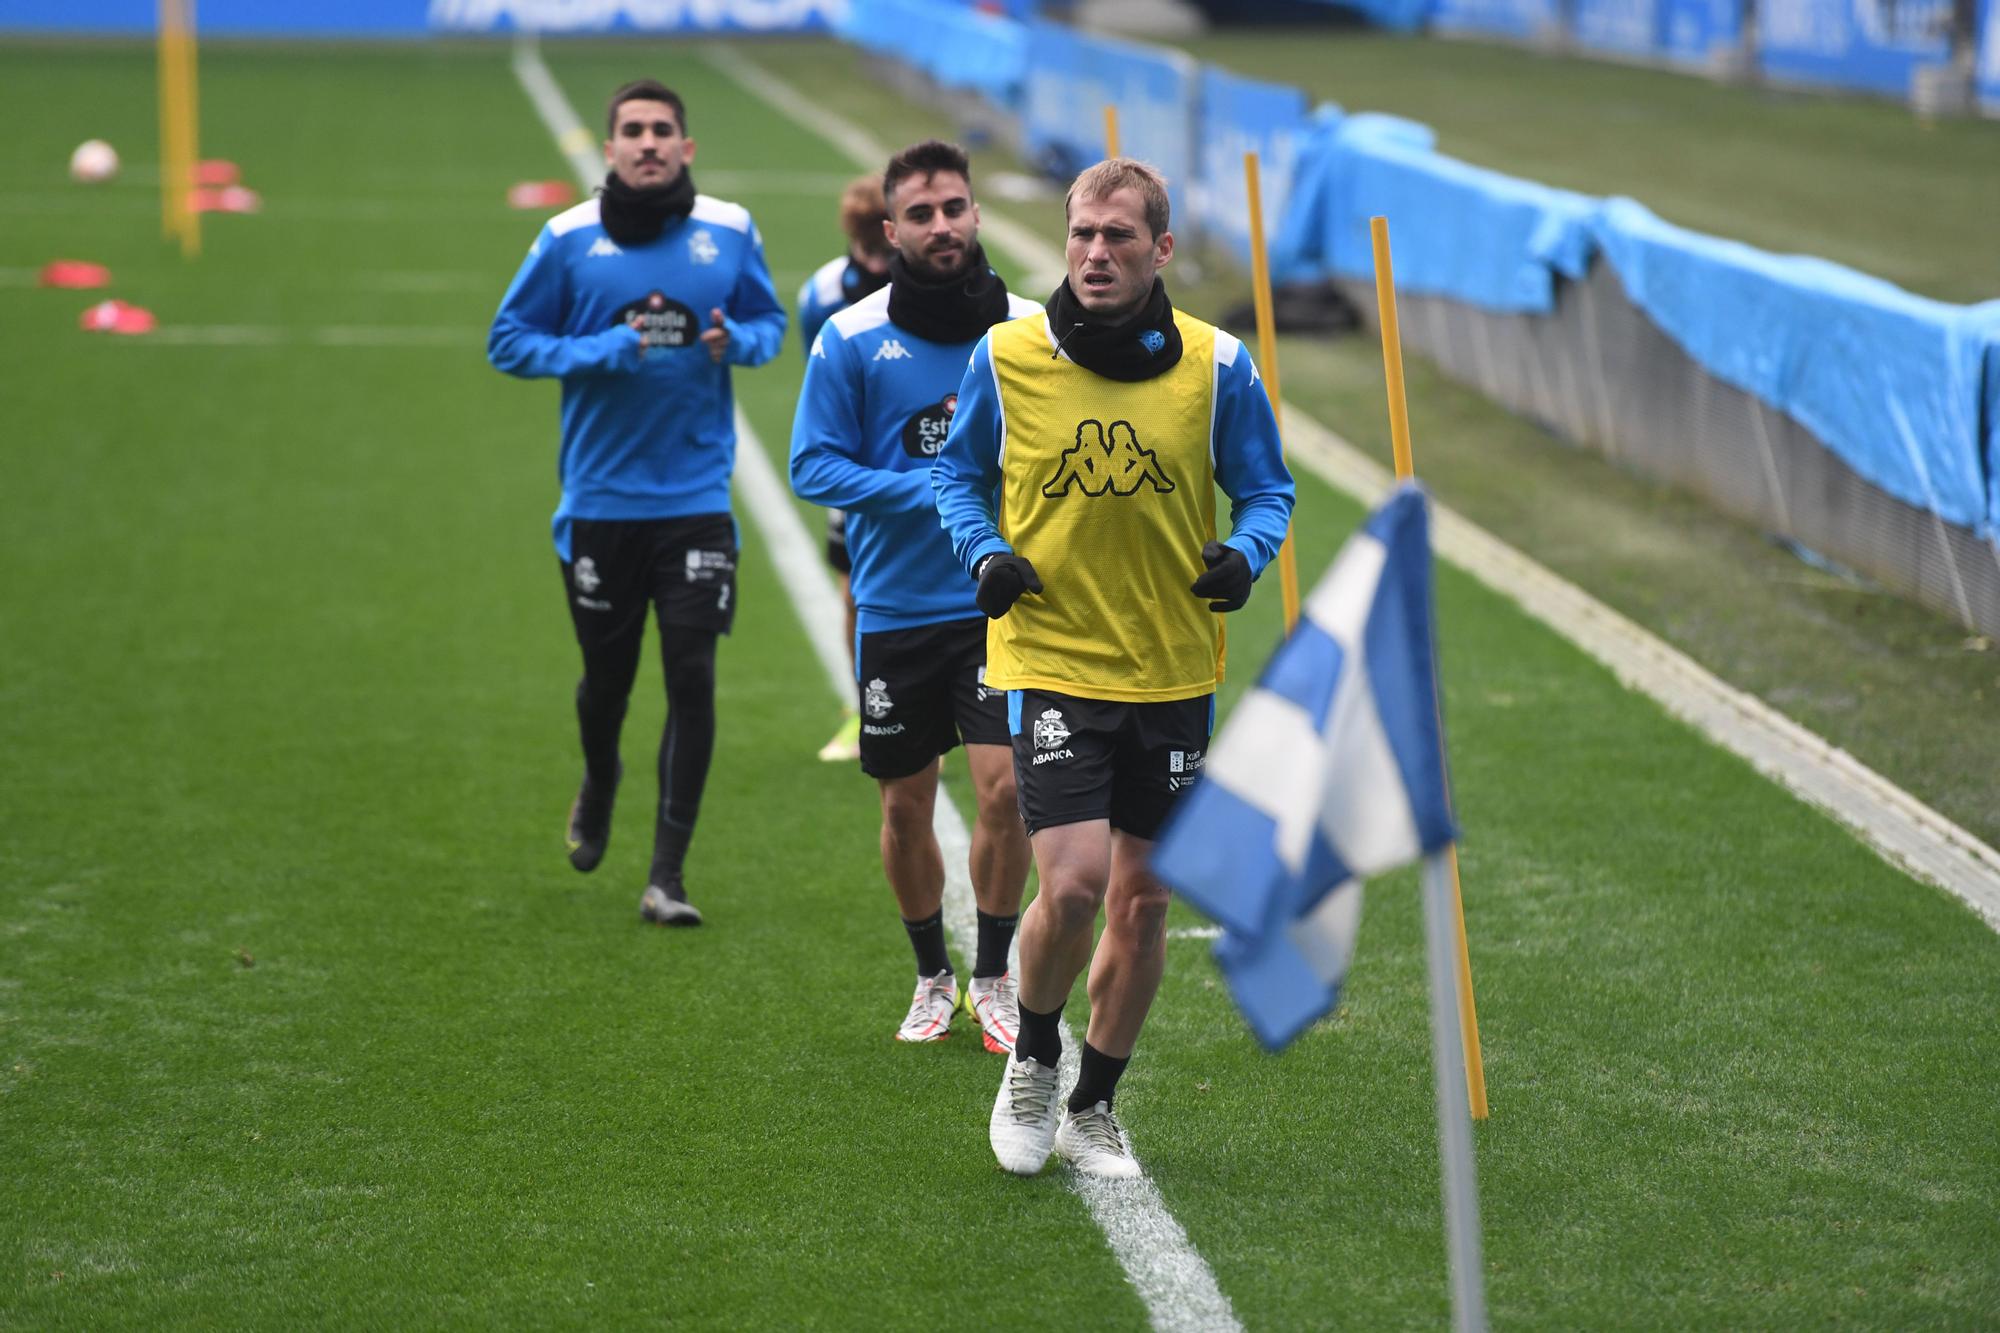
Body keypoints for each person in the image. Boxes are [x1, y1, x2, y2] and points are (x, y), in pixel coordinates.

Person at [933, 159, 1295, 1176]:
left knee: (1142, 903)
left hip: (1174, 672)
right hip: (1052, 661)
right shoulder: (1005, 356)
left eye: (1119, 238)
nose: (1096, 253)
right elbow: (956, 483)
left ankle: (1093, 1103)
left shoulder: (1217, 365)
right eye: (1082, 235)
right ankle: (1034, 1054)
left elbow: (1266, 490)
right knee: (1080, 883)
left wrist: (1246, 554)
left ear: (1161, 250)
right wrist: (984, 554)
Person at [488, 78, 786, 928]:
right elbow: (507, 341)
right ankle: (601, 775)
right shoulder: (567, 238)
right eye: (633, 131)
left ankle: (667, 873)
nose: (649, 142)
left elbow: (767, 324)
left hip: (695, 498)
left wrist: (742, 341)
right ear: (608, 148)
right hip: (600, 502)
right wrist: (597, 352)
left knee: (692, 673)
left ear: (686, 148)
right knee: (606, 685)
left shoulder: (728, 231)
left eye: (663, 131)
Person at [789, 140, 1040, 1052]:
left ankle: (994, 975)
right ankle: (932, 972)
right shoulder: (851, 337)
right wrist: (937, 490)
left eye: (956, 208)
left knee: (1008, 791)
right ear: (890, 229)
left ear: (977, 214)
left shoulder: (1030, 328)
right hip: (894, 607)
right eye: (922, 214)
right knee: (905, 804)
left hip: (1000, 604)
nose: (943, 226)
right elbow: (810, 461)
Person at [796, 177, 893, 764]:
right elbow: (821, 382)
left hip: (929, 456)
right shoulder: (825, 294)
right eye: (868, 249)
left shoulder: (942, 282)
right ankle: (866, 707)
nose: (879, 261)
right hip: (858, 468)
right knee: (855, 591)